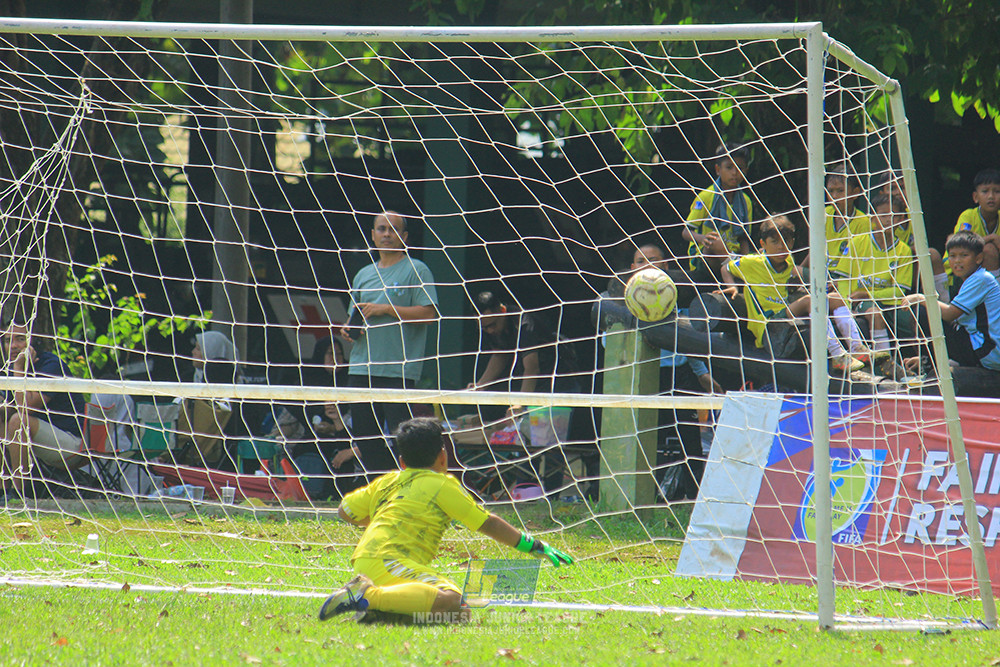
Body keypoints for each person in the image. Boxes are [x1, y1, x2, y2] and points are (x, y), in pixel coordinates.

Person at [318, 417, 572, 624]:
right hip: (389, 560)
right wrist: (532, 545)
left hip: (366, 560)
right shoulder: (442, 484)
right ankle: (367, 596)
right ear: (443, 456)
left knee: (458, 614)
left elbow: (344, 511)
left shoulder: (387, 481)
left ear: (402, 461)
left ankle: (376, 610)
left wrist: (379, 520)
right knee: (452, 601)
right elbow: (488, 523)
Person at [339, 211, 438, 484]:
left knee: (403, 440)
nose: (386, 234)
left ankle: (408, 490)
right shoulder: (363, 274)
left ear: (404, 237)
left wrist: (386, 309)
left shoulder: (416, 269)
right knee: (366, 440)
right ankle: (384, 490)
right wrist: (348, 330)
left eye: (393, 230)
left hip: (398, 370)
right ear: (372, 235)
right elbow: (355, 315)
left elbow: (429, 314)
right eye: (381, 229)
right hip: (361, 367)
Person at [720, 214, 871, 373]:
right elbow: (726, 268)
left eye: (786, 241)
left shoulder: (788, 260)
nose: (781, 247)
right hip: (768, 324)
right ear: (763, 244)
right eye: (775, 242)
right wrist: (732, 287)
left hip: (786, 315)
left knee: (837, 298)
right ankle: (838, 355)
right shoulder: (752, 262)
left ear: (792, 242)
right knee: (810, 301)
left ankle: (857, 348)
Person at [630, 244, 720, 500]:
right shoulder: (624, 300)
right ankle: (644, 495)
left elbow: (688, 342)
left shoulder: (676, 298)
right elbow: (608, 341)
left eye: (653, 260)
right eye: (641, 261)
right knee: (646, 437)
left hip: (679, 376)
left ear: (665, 265)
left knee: (689, 437)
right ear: (633, 268)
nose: (647, 265)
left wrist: (702, 373)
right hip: (642, 377)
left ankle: (694, 496)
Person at [1, 317, 86, 499]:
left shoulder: (50, 365)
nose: (13, 346)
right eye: (8, 340)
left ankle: (18, 495)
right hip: (40, 440)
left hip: (72, 443)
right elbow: (7, 407)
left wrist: (18, 368)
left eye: (20, 339)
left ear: (34, 341)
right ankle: (3, 490)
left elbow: (25, 408)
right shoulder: (9, 370)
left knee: (18, 421)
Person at [833, 192, 915, 369]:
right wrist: (848, 302)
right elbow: (844, 279)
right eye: (883, 215)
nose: (888, 220)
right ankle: (886, 366)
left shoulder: (904, 250)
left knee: (915, 321)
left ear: (901, 219)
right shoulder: (857, 242)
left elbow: (899, 290)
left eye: (894, 216)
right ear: (873, 218)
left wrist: (867, 293)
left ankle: (923, 363)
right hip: (860, 301)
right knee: (874, 314)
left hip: (890, 302)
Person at [903, 231, 1000, 375]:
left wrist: (922, 298)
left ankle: (928, 368)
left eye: (964, 255)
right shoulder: (973, 279)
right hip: (982, 348)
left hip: (988, 350)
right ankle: (927, 360)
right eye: (953, 256)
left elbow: (949, 314)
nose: (957, 261)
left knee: (923, 313)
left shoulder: (981, 279)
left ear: (978, 258)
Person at [682, 142, 754, 288]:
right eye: (729, 167)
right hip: (706, 258)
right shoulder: (706, 196)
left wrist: (747, 259)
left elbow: (743, 238)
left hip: (732, 255)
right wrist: (703, 238)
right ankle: (738, 269)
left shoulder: (746, 201)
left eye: (739, 168)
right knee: (715, 240)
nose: (735, 173)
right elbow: (686, 232)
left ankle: (740, 267)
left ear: (746, 170)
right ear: (718, 169)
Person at [872, 170, 948, 301]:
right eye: (892, 188)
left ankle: (942, 304)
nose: (898, 192)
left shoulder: (914, 214)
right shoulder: (876, 218)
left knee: (932, 255)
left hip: (905, 264)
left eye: (902, 187)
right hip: (880, 267)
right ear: (882, 193)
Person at [801, 162, 871, 272]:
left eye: (840, 191)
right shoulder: (825, 213)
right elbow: (816, 248)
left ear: (855, 193)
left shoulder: (863, 222)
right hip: (822, 273)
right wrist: (800, 269)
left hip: (845, 276)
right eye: (830, 191)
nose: (834, 196)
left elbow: (863, 261)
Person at [952, 168, 1000, 277]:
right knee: (989, 249)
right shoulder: (968, 216)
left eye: (997, 191)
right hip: (960, 271)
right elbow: (961, 244)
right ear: (975, 197)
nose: (991, 196)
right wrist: (992, 238)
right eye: (985, 191)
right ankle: (994, 288)